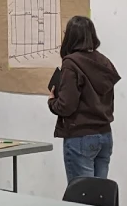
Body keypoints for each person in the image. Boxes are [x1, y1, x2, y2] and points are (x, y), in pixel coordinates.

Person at [47, 16, 120, 182]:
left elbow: (66, 106)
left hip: (80, 137)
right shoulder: (104, 62)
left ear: (70, 36)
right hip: (105, 135)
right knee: (99, 193)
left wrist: (52, 101)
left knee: (81, 194)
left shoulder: (71, 63)